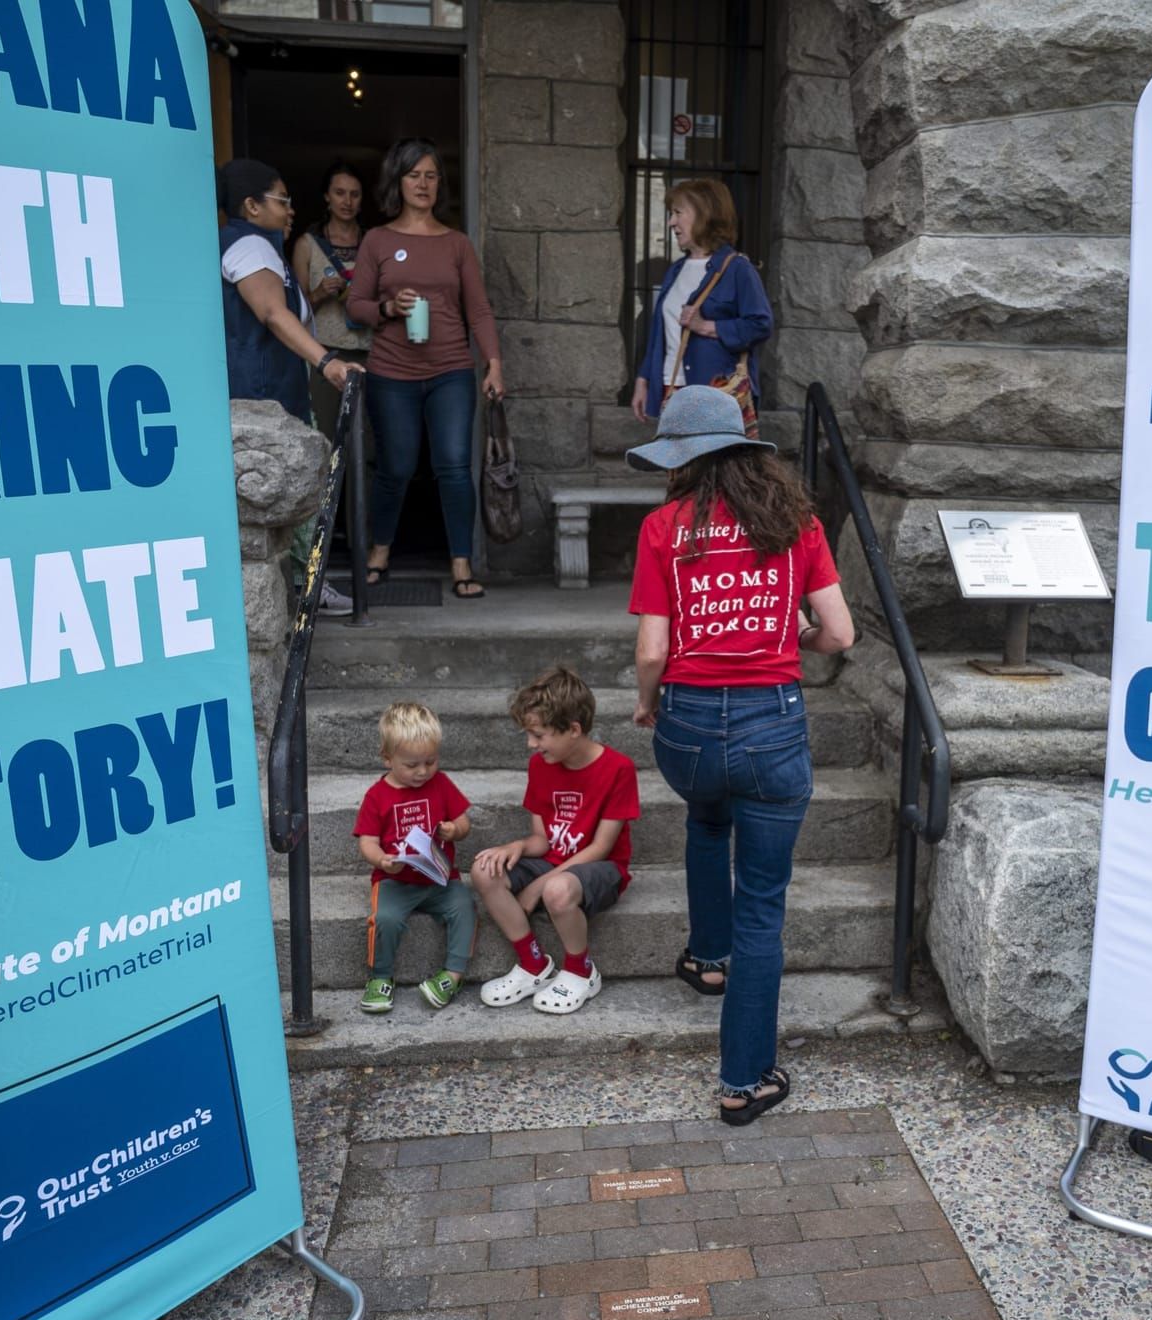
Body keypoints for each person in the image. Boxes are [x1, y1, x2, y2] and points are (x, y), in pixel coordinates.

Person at [626, 387, 856, 1125]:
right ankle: (744, 1081)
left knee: (706, 815)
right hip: (772, 727)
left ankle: (707, 959)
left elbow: (652, 650)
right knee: (763, 906)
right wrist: (794, 638)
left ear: (681, 461)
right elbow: (840, 635)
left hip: (688, 726)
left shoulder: (662, 527)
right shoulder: (797, 524)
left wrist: (647, 704)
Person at [346, 138, 503, 600]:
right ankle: (379, 551)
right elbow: (355, 305)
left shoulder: (457, 244)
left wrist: (493, 365)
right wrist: (388, 307)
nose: (423, 184)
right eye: (414, 175)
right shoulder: (378, 240)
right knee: (394, 467)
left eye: (431, 175)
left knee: (453, 466)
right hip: (391, 372)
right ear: (398, 181)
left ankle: (461, 563)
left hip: (451, 370)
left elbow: (479, 310)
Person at [469, 667, 640, 1015]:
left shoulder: (618, 769)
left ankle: (581, 971)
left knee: (556, 890)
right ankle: (532, 963)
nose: (531, 744)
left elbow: (600, 848)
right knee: (484, 870)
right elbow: (543, 840)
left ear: (573, 730)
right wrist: (516, 847)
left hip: (599, 868)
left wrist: (537, 886)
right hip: (552, 862)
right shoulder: (541, 765)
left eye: (538, 735)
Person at [351, 702, 477, 1012]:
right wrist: (382, 860)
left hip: (439, 878)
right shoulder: (377, 796)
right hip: (395, 880)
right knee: (385, 919)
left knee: (465, 906)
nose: (422, 771)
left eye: (430, 761)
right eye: (411, 765)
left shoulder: (441, 783)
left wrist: (454, 830)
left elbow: (464, 822)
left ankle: (453, 975)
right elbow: (367, 842)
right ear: (387, 758)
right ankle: (380, 977)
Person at [218, 158, 357, 422]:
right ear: (252, 206)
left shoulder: (244, 242)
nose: (290, 211)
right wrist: (327, 362)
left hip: (263, 392)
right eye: (282, 201)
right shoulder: (251, 246)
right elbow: (273, 313)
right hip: (264, 397)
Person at [630, 179, 773, 433]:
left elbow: (761, 325)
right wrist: (643, 379)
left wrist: (706, 326)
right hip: (671, 388)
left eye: (678, 213)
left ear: (704, 213)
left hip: (716, 392)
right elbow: (659, 333)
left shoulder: (738, 268)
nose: (671, 222)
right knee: (677, 459)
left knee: (711, 460)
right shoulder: (676, 270)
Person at [295, 160, 372, 437]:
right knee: (326, 436)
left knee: (367, 440)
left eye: (354, 194)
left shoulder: (374, 242)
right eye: (340, 193)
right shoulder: (307, 244)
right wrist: (319, 293)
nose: (347, 201)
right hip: (324, 353)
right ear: (327, 197)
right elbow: (295, 309)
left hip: (370, 351)